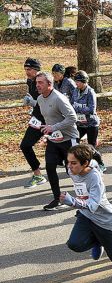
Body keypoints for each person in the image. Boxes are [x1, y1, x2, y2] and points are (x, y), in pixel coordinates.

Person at [60, 144, 112, 283]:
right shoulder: (73, 171)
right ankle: (97, 241)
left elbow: (93, 205)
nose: (69, 167)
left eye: (73, 163)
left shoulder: (95, 178)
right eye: (68, 162)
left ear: (85, 163)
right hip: (86, 215)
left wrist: (72, 201)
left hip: (104, 219)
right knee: (74, 244)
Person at [36, 71, 79, 210]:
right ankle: (57, 198)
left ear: (49, 84)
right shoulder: (40, 99)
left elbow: (73, 118)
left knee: (72, 170)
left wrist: (53, 127)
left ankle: (84, 197)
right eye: (36, 82)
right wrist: (45, 132)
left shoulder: (59, 98)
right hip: (54, 140)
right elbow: (47, 119)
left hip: (69, 139)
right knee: (50, 167)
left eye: (40, 82)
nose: (37, 85)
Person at [71, 70, 106, 172]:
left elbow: (91, 109)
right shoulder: (75, 91)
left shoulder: (90, 92)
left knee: (91, 147)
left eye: (78, 81)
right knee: (73, 141)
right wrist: (75, 109)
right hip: (79, 124)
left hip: (91, 124)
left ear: (84, 82)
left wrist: (78, 109)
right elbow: (72, 104)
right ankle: (80, 162)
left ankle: (100, 163)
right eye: (75, 81)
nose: (76, 84)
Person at [20, 58, 47, 188]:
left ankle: (89, 166)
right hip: (37, 119)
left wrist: (34, 103)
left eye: (29, 69)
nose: (27, 72)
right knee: (25, 145)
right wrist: (32, 106)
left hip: (51, 119)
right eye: (25, 69)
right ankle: (38, 175)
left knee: (63, 150)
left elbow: (48, 102)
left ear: (37, 70)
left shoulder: (44, 82)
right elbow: (36, 101)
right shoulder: (30, 81)